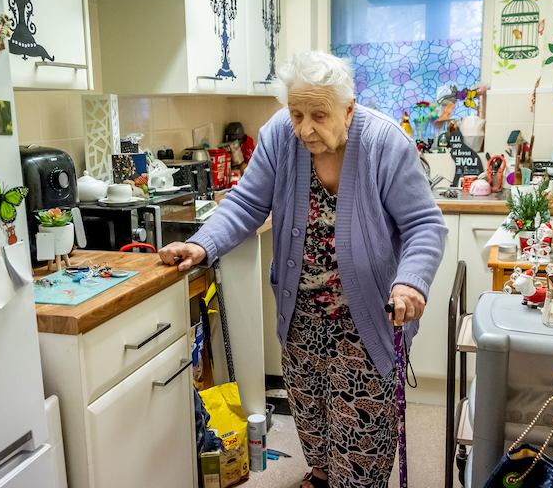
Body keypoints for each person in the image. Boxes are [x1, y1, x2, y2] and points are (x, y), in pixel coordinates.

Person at [160, 51, 447, 488]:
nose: (305, 128)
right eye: (296, 113)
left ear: (348, 109)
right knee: (312, 422)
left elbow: (424, 225)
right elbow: (245, 203)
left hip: (365, 319)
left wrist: (410, 283)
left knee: (361, 440)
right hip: (301, 318)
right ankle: (321, 475)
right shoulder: (281, 135)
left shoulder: (384, 144)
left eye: (318, 115)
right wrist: (203, 244)